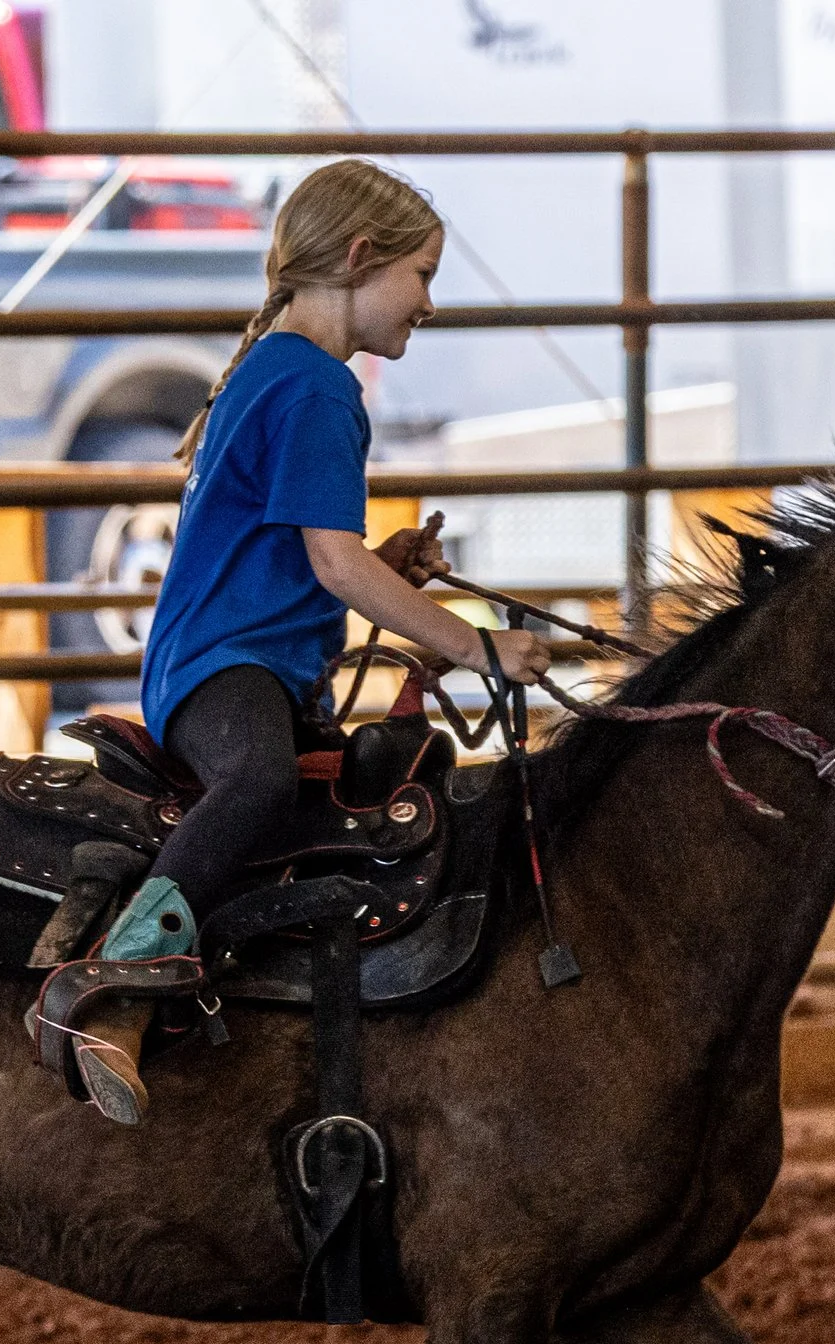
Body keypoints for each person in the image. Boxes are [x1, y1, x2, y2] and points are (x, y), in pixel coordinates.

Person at [61, 157, 550, 1125]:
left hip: (229, 659)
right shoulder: (319, 390)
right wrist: (473, 646)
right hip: (224, 670)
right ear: (360, 258)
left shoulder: (276, 370)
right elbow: (331, 564)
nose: (428, 304)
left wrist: (388, 565)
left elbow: (301, 553)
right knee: (260, 783)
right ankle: (118, 976)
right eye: (421, 276)